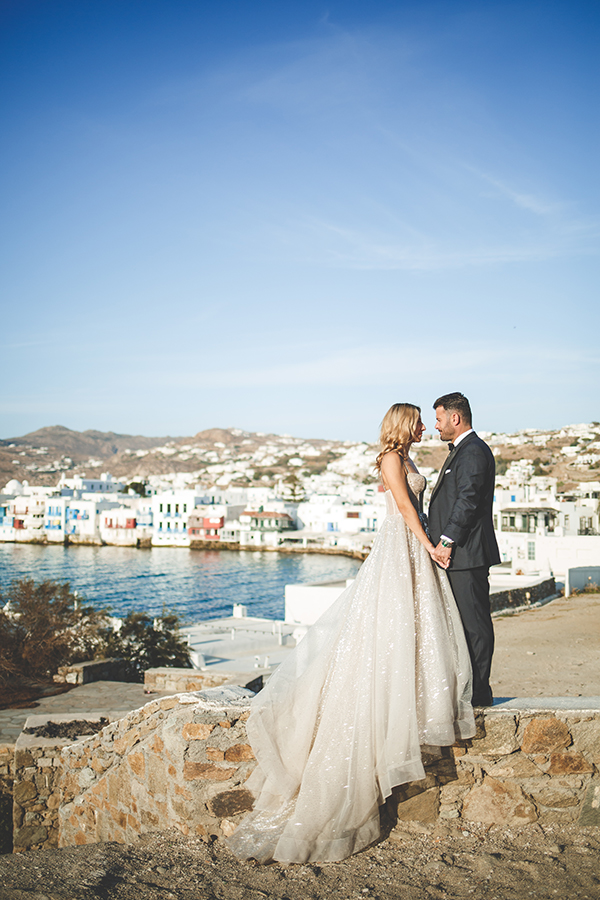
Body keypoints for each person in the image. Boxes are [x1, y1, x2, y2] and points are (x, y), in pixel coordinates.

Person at [227, 403, 475, 865]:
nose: (425, 427)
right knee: (386, 628)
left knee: (409, 630)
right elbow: (403, 507)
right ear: (404, 424)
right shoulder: (390, 459)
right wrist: (430, 548)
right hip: (401, 546)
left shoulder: (405, 458)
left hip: (409, 547)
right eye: (419, 421)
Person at [428, 392, 501, 708]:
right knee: (464, 624)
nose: (436, 426)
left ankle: (479, 694)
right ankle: (469, 689)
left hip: (466, 553)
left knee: (474, 624)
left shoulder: (472, 452)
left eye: (439, 419)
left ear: (455, 418)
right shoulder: (465, 450)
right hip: (461, 554)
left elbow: (467, 501)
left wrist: (446, 542)